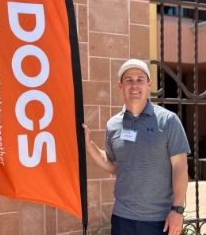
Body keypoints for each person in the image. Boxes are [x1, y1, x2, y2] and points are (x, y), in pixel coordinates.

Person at [82, 59, 191, 235]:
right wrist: (89, 145)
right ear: (120, 85)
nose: (134, 85)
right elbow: (114, 166)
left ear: (149, 84)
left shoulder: (168, 120)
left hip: (159, 220)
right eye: (129, 80)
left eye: (140, 79)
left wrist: (177, 210)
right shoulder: (113, 125)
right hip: (122, 218)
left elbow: (180, 167)